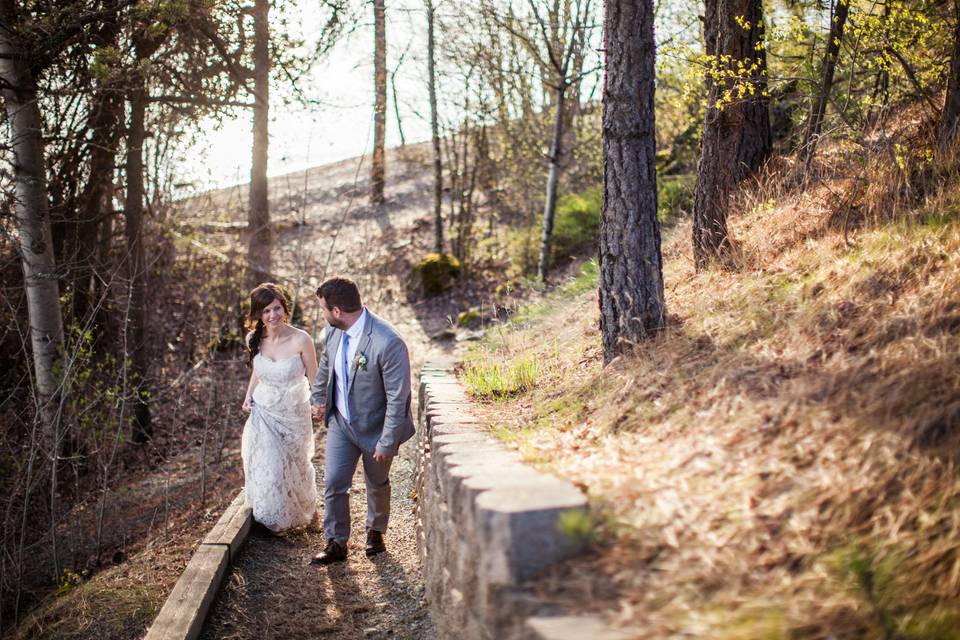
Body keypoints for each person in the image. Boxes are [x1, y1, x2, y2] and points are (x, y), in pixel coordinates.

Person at [309, 276, 415, 565]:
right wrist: (318, 399)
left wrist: (388, 440)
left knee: (377, 482)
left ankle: (376, 532)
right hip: (342, 423)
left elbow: (398, 397)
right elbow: (325, 368)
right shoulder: (333, 332)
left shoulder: (388, 341)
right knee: (333, 482)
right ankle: (336, 542)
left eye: (323, 309)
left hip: (377, 427)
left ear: (337, 311)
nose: (322, 314)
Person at [241, 283, 319, 533]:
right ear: (258, 315)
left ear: (285, 308)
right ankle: (271, 518)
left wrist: (319, 404)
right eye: (265, 311)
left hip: (294, 412)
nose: (272, 315)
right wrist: (248, 396)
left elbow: (315, 378)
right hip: (264, 410)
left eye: (276, 308)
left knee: (296, 464)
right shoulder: (253, 339)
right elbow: (258, 371)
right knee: (269, 462)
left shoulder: (301, 339)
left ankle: (299, 512)